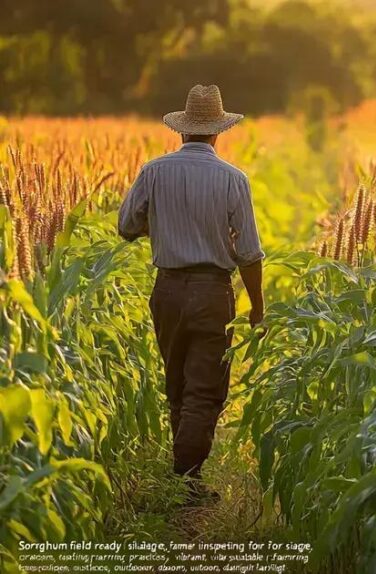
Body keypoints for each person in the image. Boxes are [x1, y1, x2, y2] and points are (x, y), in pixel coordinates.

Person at [117, 85, 265, 503]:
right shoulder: (234, 179)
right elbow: (250, 253)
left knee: (178, 382)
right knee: (205, 389)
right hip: (212, 293)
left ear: (182, 131)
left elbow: (127, 226)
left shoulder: (153, 171)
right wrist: (257, 307)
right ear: (218, 132)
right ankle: (186, 481)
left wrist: (163, 227)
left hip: (166, 290)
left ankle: (183, 476)